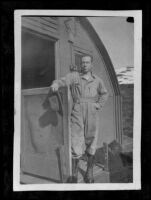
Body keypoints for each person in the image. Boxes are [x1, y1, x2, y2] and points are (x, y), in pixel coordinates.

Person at [50, 55, 109, 183]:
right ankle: (75, 174)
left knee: (91, 140)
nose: (84, 65)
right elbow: (62, 81)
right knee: (75, 140)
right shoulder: (74, 76)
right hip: (77, 110)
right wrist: (55, 83)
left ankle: (89, 172)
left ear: (91, 64)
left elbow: (104, 93)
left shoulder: (97, 80)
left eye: (87, 62)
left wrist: (98, 104)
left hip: (92, 112)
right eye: (82, 63)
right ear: (80, 64)